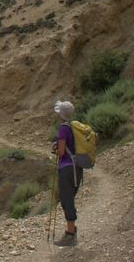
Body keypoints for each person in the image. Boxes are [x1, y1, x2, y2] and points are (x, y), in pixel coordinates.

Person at [51, 100, 83, 247]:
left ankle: (70, 235)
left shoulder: (63, 128)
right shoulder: (74, 126)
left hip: (67, 169)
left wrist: (56, 149)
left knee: (66, 200)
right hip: (77, 168)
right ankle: (71, 230)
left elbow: (62, 152)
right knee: (68, 199)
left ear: (61, 114)